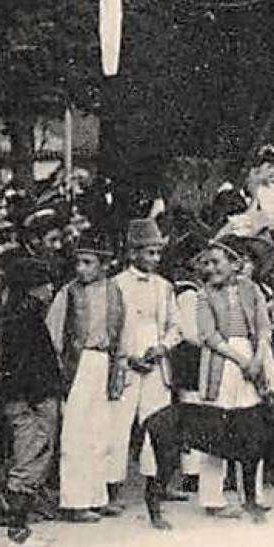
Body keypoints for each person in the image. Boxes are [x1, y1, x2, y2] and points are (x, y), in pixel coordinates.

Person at [193, 239, 274, 522]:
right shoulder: (204, 295)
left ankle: (252, 494)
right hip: (222, 361)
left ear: (235, 264)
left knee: (252, 427)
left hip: (252, 356)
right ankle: (212, 497)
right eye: (207, 263)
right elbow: (209, 335)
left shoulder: (250, 289)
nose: (211, 268)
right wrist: (242, 361)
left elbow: (264, 327)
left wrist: (258, 359)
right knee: (215, 427)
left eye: (217, 262)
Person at [45, 237, 125, 522]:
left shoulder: (114, 291)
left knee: (100, 431)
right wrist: (61, 371)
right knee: (76, 433)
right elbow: (53, 335)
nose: (80, 269)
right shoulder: (68, 293)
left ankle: (97, 497)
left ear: (105, 265)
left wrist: (119, 367)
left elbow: (120, 333)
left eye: (88, 263)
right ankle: (75, 501)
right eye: (78, 262)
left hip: (104, 362)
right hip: (78, 364)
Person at [106, 218, 182, 521]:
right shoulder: (115, 285)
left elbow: (176, 325)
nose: (154, 259)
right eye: (148, 253)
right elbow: (109, 329)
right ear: (133, 253)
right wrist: (127, 357)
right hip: (127, 363)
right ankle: (110, 490)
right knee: (118, 427)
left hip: (156, 364)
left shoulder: (164, 287)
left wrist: (163, 346)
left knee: (159, 428)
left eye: (157, 253)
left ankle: (157, 485)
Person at [0, 258, 64, 547]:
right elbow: (25, 366)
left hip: (29, 398)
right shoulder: (25, 320)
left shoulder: (24, 316)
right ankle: (17, 532)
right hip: (31, 401)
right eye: (43, 284)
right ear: (31, 289)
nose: (50, 289)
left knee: (33, 458)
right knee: (29, 459)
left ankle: (21, 528)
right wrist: (38, 399)